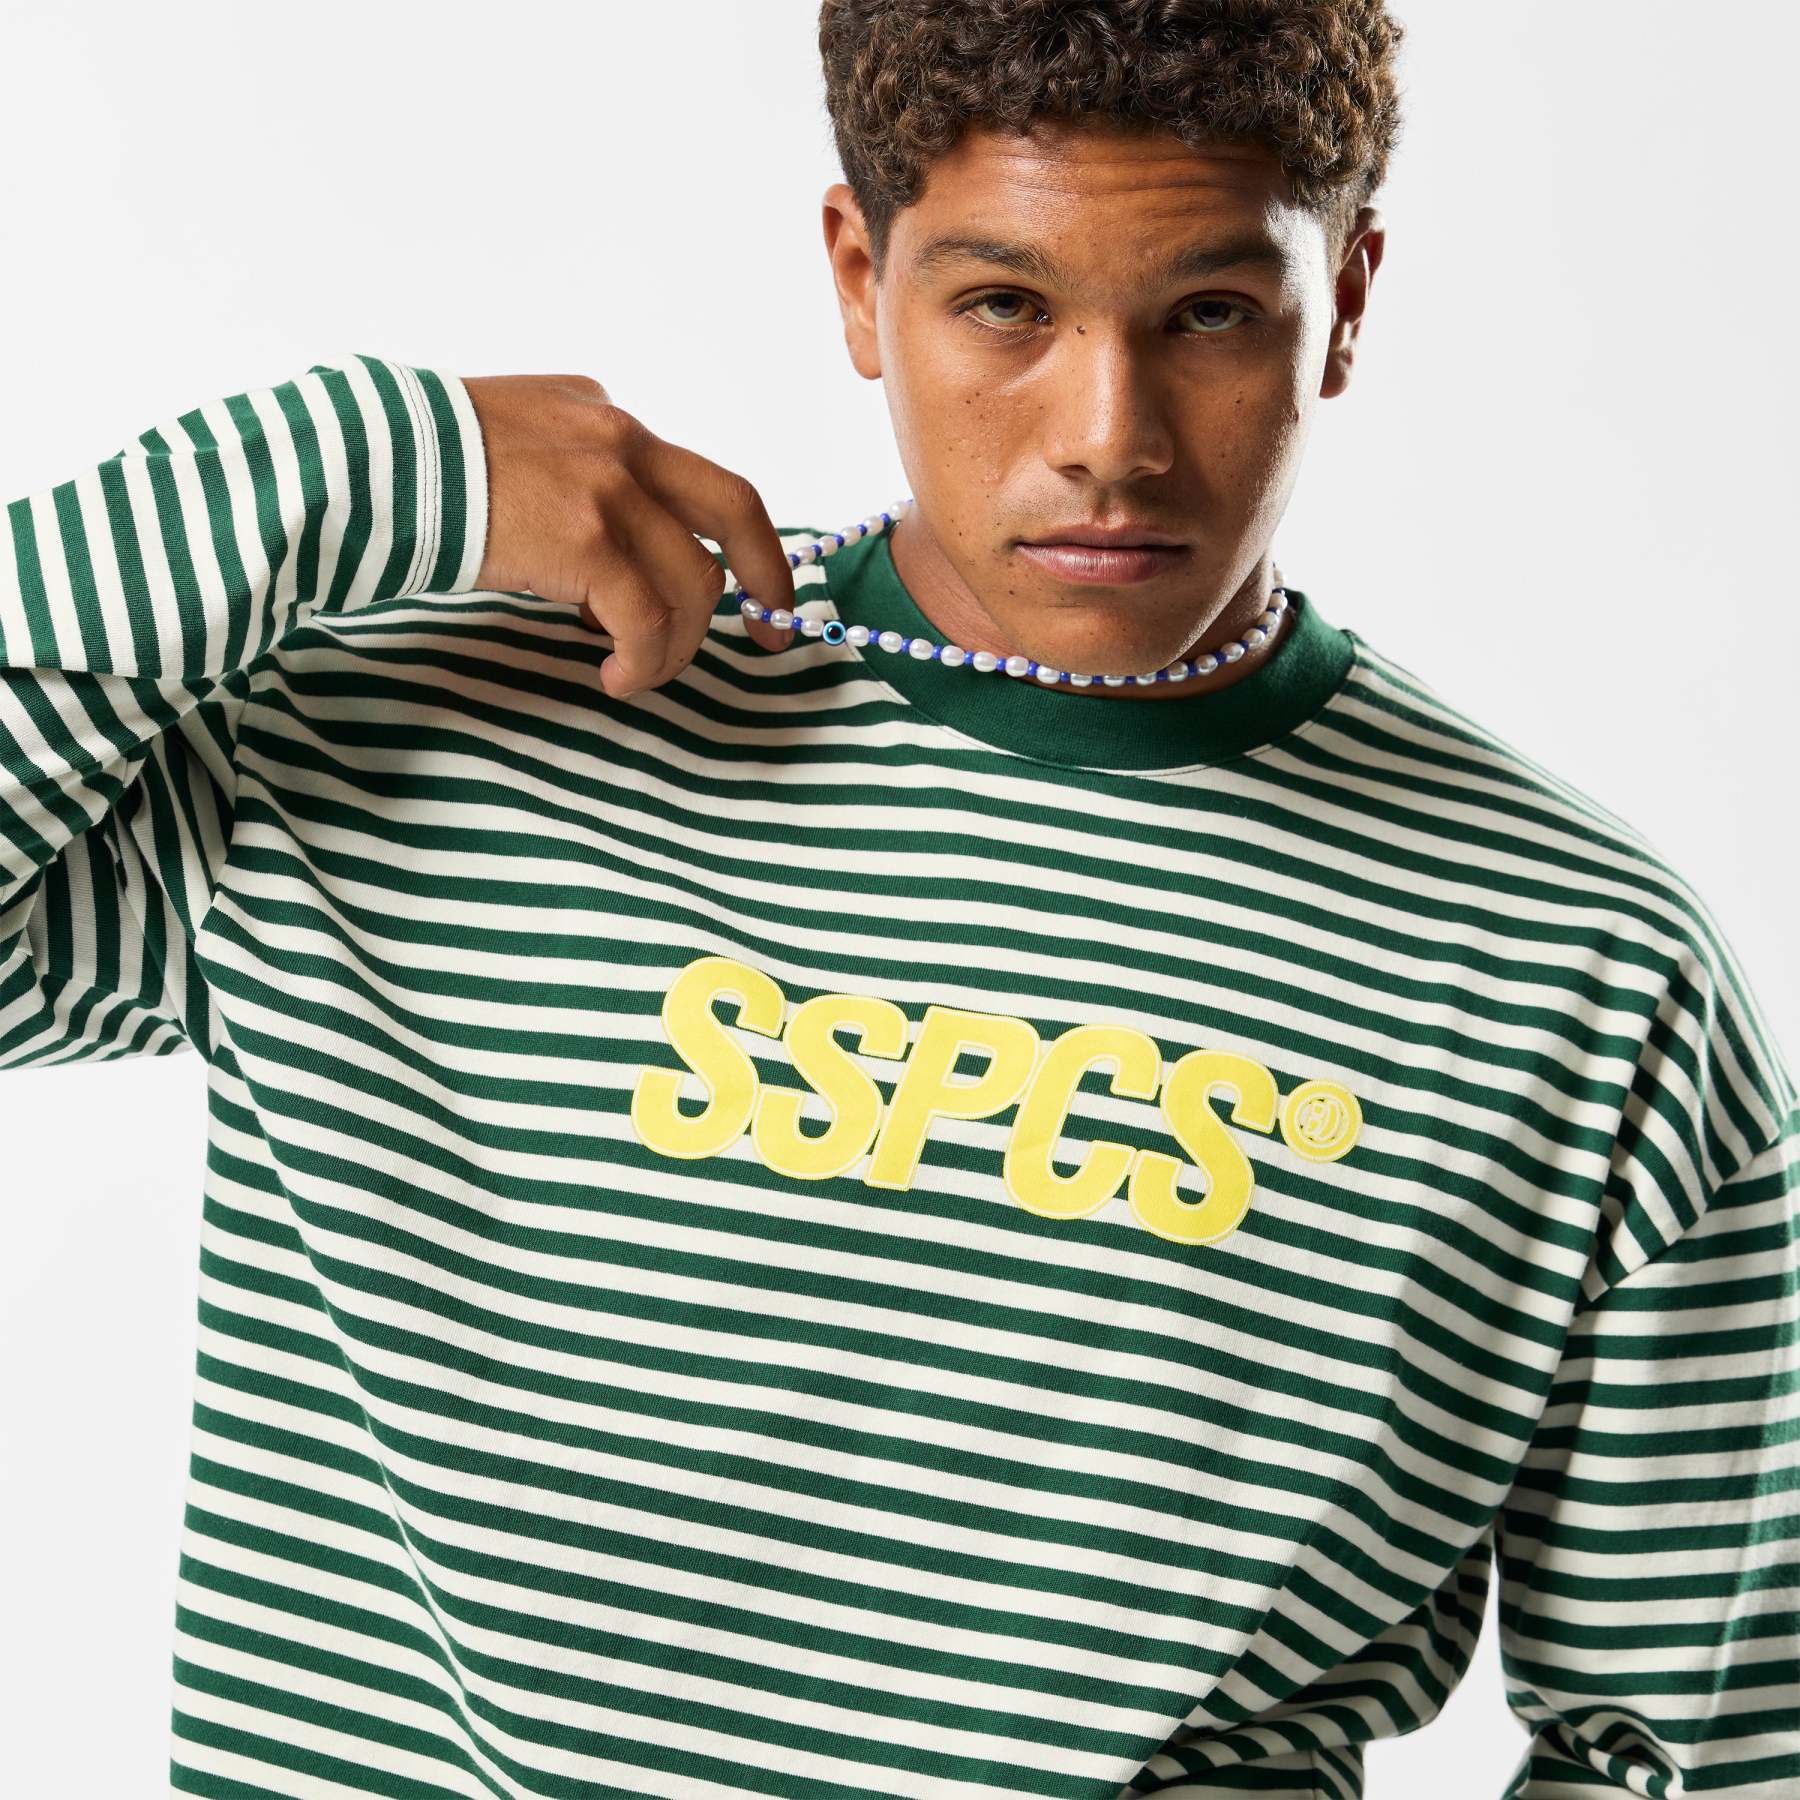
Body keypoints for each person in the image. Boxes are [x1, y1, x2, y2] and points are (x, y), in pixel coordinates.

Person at [2, 2, 1793, 1796]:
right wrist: (347, 471)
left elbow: (1708, 1743)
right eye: (1007, 305)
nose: (1109, 437)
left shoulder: (1581, 971)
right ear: (863, 279)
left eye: (1210, 313)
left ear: (1350, 303)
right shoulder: (423, 731)